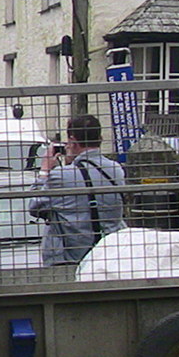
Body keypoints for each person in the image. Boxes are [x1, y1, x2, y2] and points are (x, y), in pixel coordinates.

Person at [28, 113, 126, 265]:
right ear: (99, 138)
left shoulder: (60, 175)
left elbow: (35, 206)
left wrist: (45, 170)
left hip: (72, 260)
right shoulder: (116, 169)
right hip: (108, 257)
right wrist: (72, 165)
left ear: (73, 141)